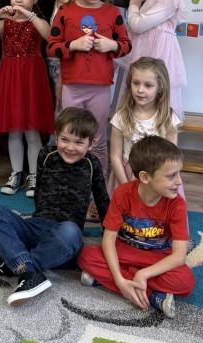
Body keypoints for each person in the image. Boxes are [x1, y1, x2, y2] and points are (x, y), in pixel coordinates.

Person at [0, 107, 110, 307]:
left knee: (70, 230)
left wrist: (110, 241)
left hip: (64, 237)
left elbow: (102, 201)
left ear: (91, 144)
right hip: (35, 226)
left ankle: (17, 265)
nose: (70, 147)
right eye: (64, 140)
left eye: (79, 142)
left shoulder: (93, 164)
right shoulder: (46, 154)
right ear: (56, 136)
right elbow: (39, 191)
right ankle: (28, 270)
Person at [78, 135, 195, 318]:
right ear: (145, 177)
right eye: (171, 176)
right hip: (124, 252)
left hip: (157, 258)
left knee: (185, 281)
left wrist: (144, 274)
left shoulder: (177, 204)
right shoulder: (123, 194)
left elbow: (179, 256)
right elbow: (108, 240)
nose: (179, 181)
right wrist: (120, 280)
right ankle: (152, 296)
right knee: (85, 255)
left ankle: (106, 278)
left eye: (179, 173)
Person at [46, 0, 132, 174]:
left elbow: (127, 45)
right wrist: (73, 45)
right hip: (72, 87)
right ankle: (71, 181)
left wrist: (112, 45)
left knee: (98, 140)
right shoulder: (65, 11)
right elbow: (51, 47)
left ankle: (97, 187)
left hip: (100, 88)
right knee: (70, 138)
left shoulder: (112, 12)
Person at [0, 0, 54, 198]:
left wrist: (30, 16)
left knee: (32, 132)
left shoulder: (37, 21)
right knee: (14, 130)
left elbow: (50, 36)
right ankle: (17, 174)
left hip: (32, 79)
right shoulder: (5, 23)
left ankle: (35, 176)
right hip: (10, 79)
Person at [124, 0, 187, 119]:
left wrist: (133, 6)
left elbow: (137, 24)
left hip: (159, 54)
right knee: (137, 93)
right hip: (142, 52)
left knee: (154, 96)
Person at [108, 56, 183, 197]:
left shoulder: (168, 119)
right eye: (136, 83)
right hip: (127, 175)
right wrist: (126, 186)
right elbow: (115, 156)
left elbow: (171, 159)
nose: (140, 90)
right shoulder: (121, 116)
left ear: (160, 87)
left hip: (158, 176)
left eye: (148, 85)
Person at [42, 0, 73, 115]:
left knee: (65, 114)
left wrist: (62, 79)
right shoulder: (56, 3)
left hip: (66, 70)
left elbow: (69, 47)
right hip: (54, 67)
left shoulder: (72, 6)